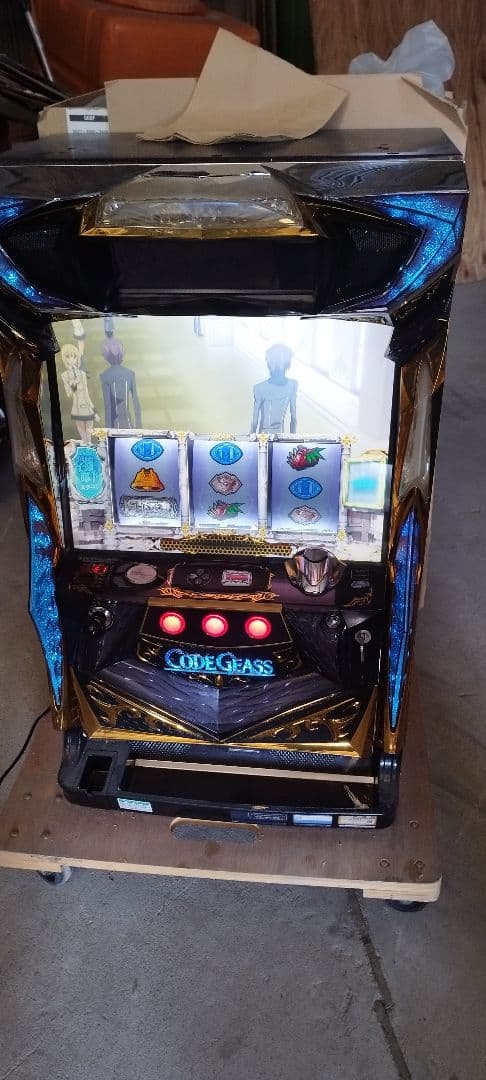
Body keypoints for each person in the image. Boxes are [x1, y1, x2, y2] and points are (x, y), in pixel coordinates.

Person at [100, 319, 142, 429]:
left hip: (115, 427)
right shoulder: (130, 374)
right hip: (129, 425)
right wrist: (139, 428)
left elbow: (108, 407)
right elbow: (136, 404)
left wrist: (108, 431)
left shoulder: (105, 376)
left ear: (106, 355)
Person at [251, 343, 298, 435]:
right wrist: (293, 439)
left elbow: (254, 422)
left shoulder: (259, 388)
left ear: (269, 363)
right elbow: (293, 419)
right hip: (280, 436)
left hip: (263, 437)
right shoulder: (293, 384)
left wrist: (251, 438)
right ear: (288, 364)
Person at [60, 343, 98, 444]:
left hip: (87, 408)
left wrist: (94, 410)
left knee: (89, 438)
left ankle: (89, 450)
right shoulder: (64, 375)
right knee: (84, 438)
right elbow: (68, 393)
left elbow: (86, 393)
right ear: (64, 358)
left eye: (74, 356)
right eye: (68, 356)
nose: (71, 359)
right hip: (77, 409)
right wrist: (74, 384)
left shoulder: (82, 374)